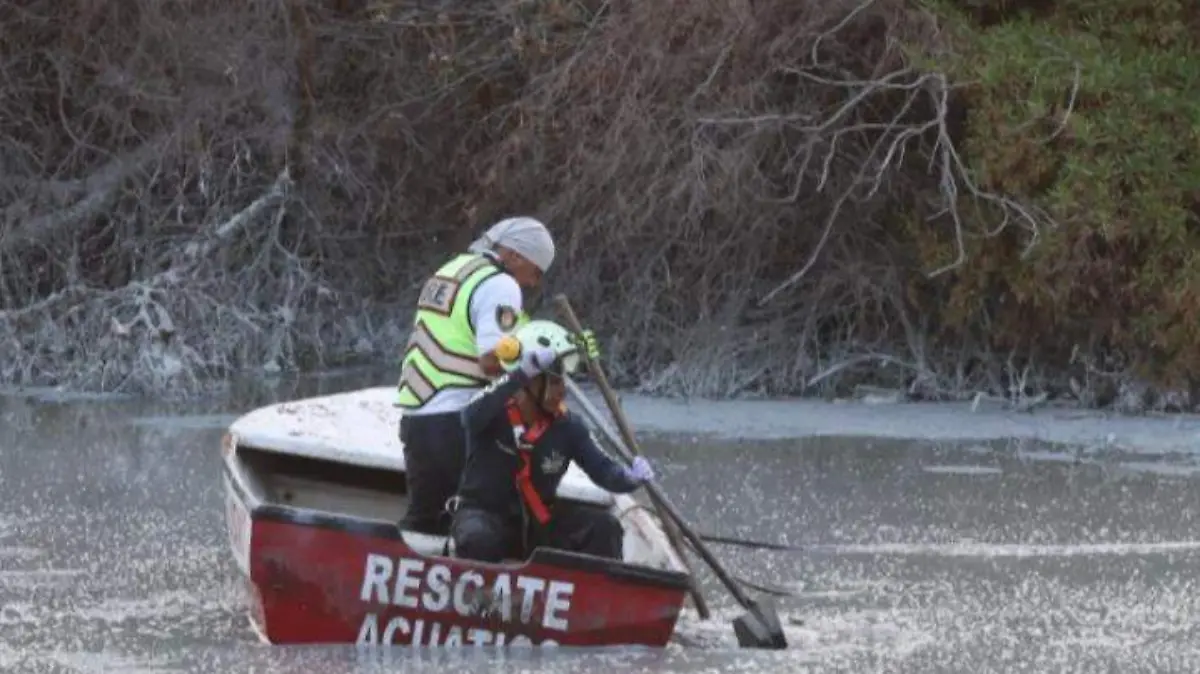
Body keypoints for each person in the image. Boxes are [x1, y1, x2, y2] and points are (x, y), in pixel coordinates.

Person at [394, 216, 598, 535]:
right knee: (489, 523)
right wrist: (544, 361)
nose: (533, 283)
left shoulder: (452, 271)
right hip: (459, 424)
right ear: (515, 255)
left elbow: (503, 338)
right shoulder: (501, 283)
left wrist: (565, 346)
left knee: (426, 524)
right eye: (535, 271)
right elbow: (492, 360)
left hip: (419, 419)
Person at [449, 319, 655, 564]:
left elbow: (603, 470)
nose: (562, 391)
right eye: (555, 382)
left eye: (563, 383)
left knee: (604, 527)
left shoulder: (568, 427)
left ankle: (594, 596)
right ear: (530, 382)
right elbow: (468, 417)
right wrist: (518, 375)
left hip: (536, 523)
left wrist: (629, 478)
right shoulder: (492, 412)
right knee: (478, 539)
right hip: (484, 515)